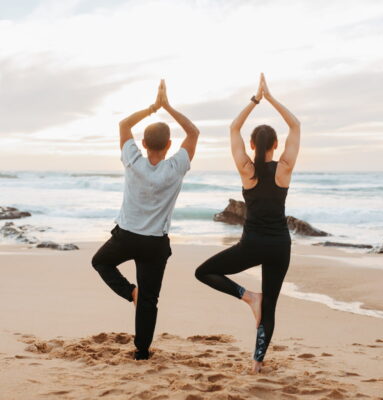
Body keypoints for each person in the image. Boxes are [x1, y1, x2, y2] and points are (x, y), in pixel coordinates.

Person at [195, 73, 300, 373]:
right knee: (271, 307)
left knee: (204, 272)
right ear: (276, 145)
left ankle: (248, 296)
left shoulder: (246, 170)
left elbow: (233, 128)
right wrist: (272, 98)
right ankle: (256, 363)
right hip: (280, 245)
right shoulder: (284, 168)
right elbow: (296, 125)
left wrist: (256, 100)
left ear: (252, 144)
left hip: (251, 245)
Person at [92, 80, 199, 360]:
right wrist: (169, 107)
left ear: (142, 143)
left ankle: (131, 293)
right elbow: (194, 131)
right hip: (155, 244)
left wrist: (153, 107)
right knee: (150, 300)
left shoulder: (133, 161)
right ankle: (141, 352)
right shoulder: (176, 167)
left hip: (126, 237)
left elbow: (124, 124)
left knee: (100, 262)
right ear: (169, 145)